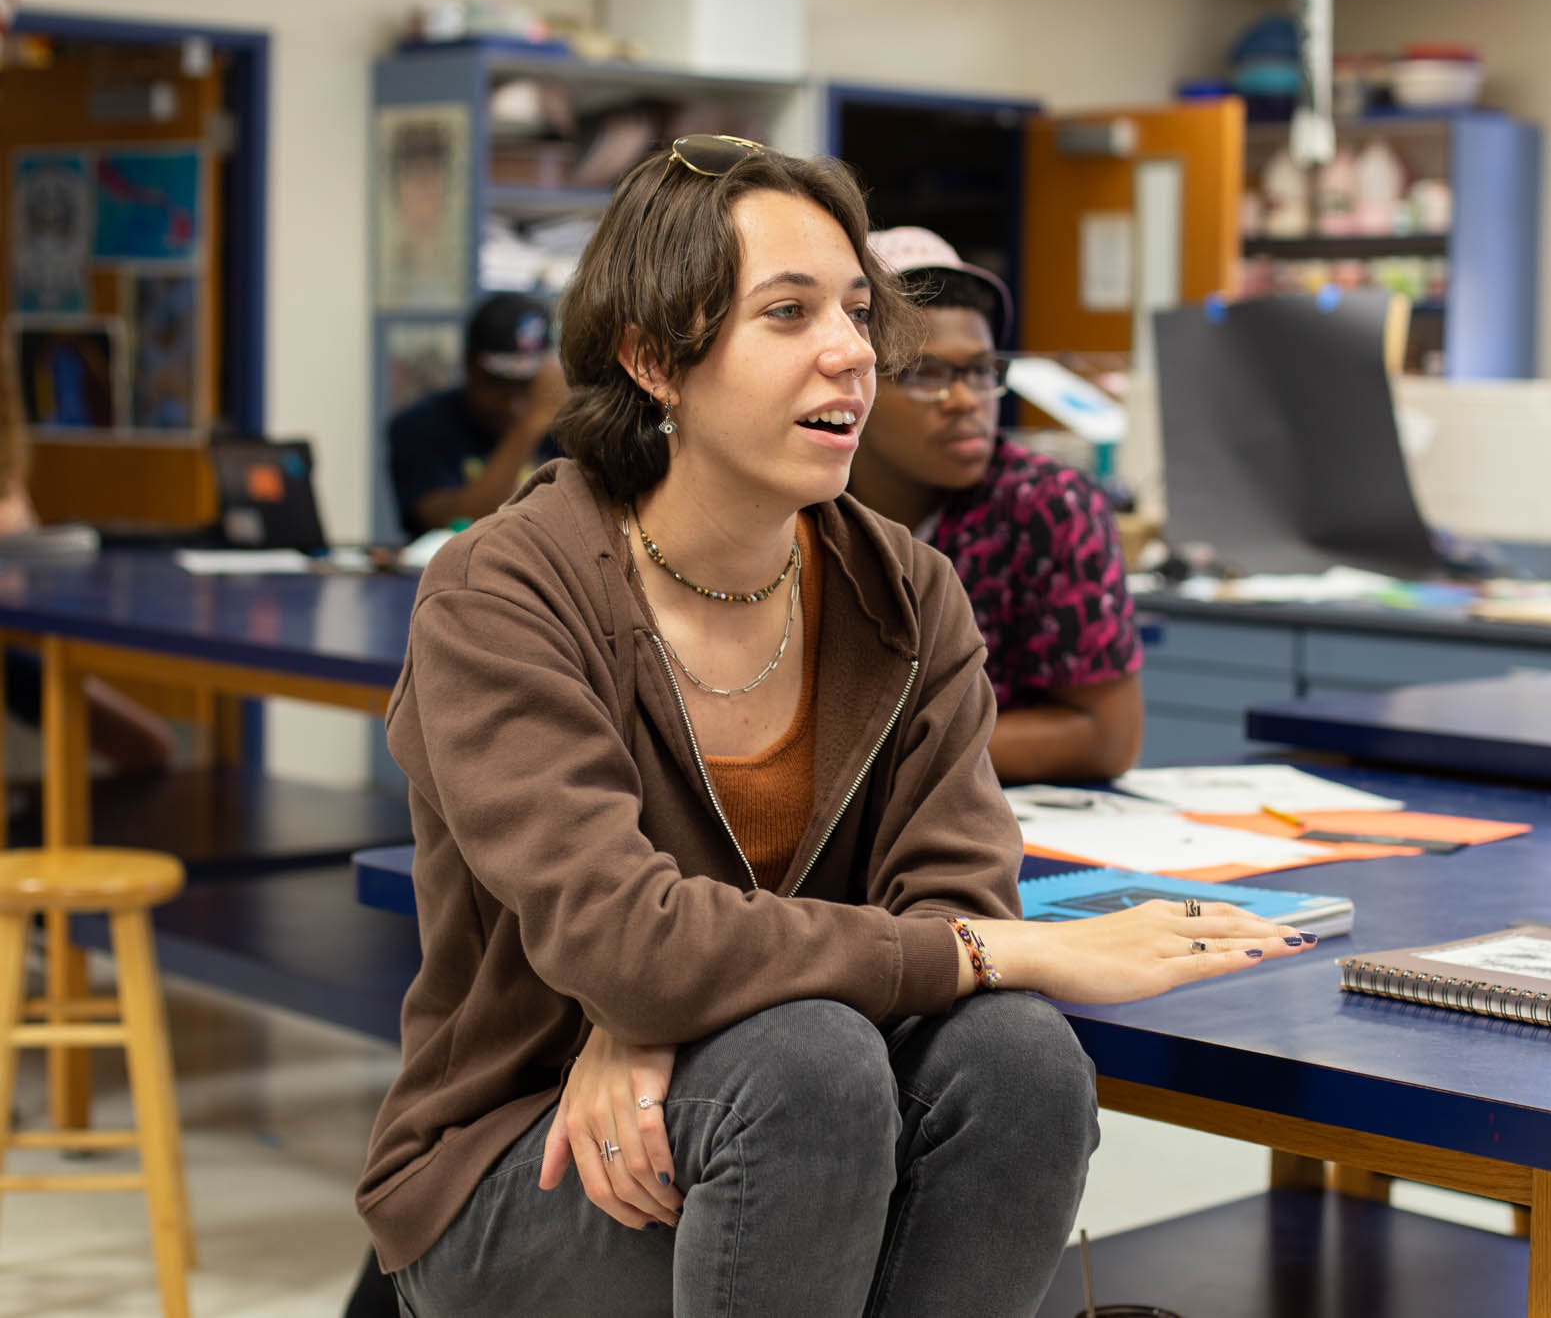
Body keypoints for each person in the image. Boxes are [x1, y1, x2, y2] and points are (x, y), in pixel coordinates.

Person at [358, 136, 1318, 1317]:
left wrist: (668, 1005)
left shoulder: (907, 596)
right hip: (527, 1152)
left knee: (1017, 1061)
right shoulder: (505, 589)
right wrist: (648, 993)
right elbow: (626, 939)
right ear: (656, 358)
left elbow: (948, 892)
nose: (851, 353)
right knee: (805, 1063)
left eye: (858, 312)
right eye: (787, 312)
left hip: (786, 1109)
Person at [849, 226, 1143, 783]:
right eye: (925, 373)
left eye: (980, 371)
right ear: (855, 384)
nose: (964, 400)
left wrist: (889, 765)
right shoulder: (806, 510)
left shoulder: (1049, 507)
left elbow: (1109, 736)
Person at [0, 342, 172, 776]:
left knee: (149, 747)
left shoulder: (7, 457)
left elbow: (19, 530)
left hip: (15, 652)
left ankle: (57, 831)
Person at [387, 291, 566, 538]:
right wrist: (529, 426)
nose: (513, 403)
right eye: (499, 383)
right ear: (470, 367)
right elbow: (460, 523)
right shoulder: (420, 426)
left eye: (528, 384)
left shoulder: (567, 429)